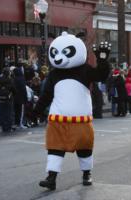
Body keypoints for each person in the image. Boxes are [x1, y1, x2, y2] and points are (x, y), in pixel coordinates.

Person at [35, 32, 111, 190]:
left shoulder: (85, 70)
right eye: (56, 53)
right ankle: (51, 177)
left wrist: (103, 61)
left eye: (65, 52)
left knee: (85, 148)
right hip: (58, 120)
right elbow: (47, 95)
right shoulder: (54, 74)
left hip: (80, 120)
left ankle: (86, 173)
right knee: (55, 148)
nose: (59, 57)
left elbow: (101, 76)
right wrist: (36, 111)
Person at [0, 67, 15, 133]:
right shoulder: (10, 80)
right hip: (8, 98)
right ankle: (7, 127)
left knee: (1, 113)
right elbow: (13, 89)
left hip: (1, 98)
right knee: (8, 113)